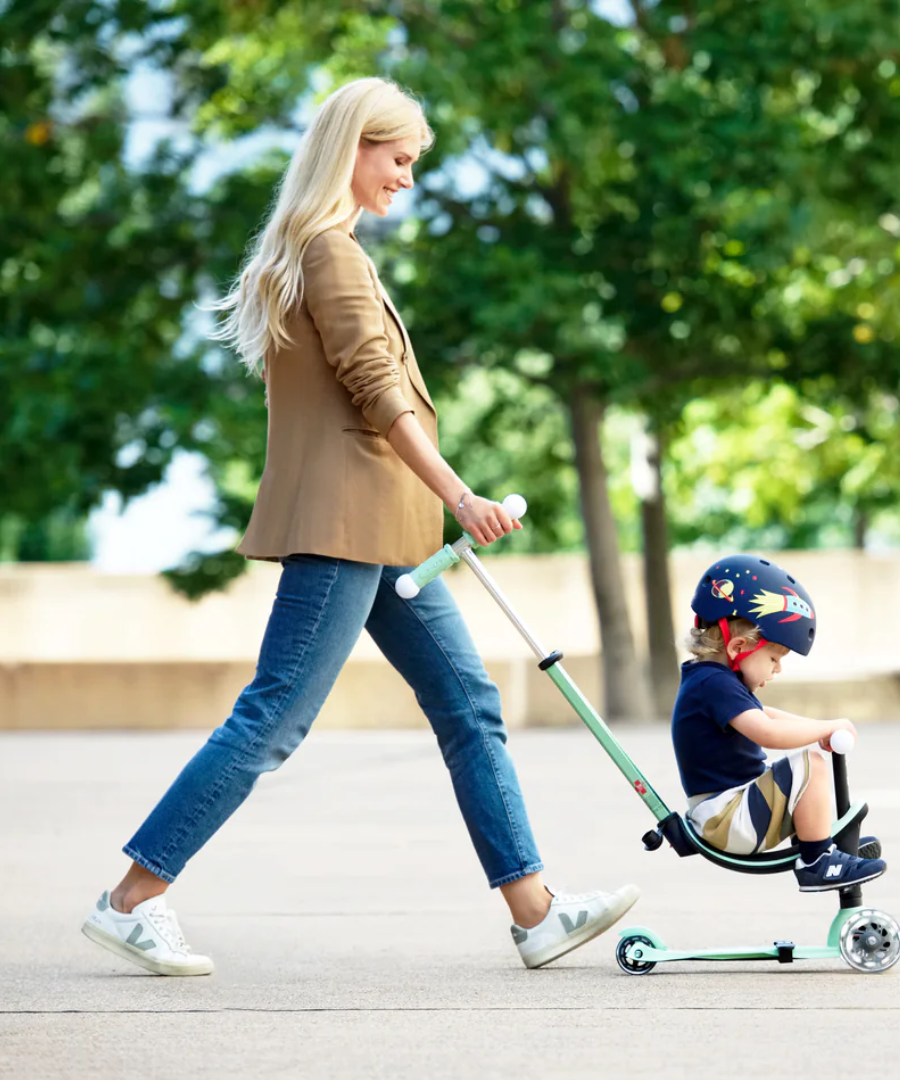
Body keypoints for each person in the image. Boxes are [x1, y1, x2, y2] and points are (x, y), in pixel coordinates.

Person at [81, 76, 638, 976]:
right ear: (354, 148)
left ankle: (535, 913)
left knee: (468, 705)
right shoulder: (331, 254)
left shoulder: (319, 251)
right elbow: (379, 395)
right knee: (275, 719)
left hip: (384, 533)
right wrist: (461, 496)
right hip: (347, 526)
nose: (409, 179)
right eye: (401, 159)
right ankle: (131, 900)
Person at [670, 554, 886, 892]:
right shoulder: (713, 683)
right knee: (809, 764)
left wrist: (823, 726)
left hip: (728, 813)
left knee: (802, 766)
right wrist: (823, 731)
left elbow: (766, 715)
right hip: (725, 819)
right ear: (738, 646)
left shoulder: (713, 681)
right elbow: (767, 732)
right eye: (774, 659)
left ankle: (819, 843)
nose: (777, 669)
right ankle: (817, 860)